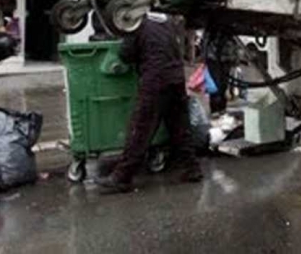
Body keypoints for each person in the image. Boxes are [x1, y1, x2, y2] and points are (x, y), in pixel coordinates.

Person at [96, 12, 203, 194]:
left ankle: (122, 177)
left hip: (156, 80)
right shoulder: (166, 20)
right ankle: (192, 168)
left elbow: (125, 54)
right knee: (179, 126)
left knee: (140, 129)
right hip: (176, 77)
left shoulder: (135, 23)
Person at [201, 28, 238, 116]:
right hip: (215, 58)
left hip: (223, 57)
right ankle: (216, 111)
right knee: (216, 87)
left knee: (222, 87)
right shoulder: (212, 28)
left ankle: (220, 110)